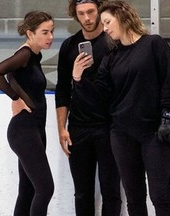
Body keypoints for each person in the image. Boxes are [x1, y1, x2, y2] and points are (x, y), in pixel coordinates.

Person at [73, 1, 170, 216]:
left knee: (160, 195)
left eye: (107, 22)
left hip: (155, 131)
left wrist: (167, 116)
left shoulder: (154, 44)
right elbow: (99, 98)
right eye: (102, 24)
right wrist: (79, 78)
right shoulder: (111, 58)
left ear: (122, 16)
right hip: (122, 134)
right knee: (134, 198)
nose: (104, 28)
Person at [55, 0, 121, 215]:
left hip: (109, 126)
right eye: (81, 13)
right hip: (79, 127)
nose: (87, 18)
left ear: (99, 11)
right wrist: (61, 128)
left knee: (111, 190)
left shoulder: (113, 41)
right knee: (82, 192)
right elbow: (62, 91)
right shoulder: (69, 46)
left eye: (91, 12)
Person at [0, 11, 55, 216]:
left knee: (28, 191)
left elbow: (14, 77)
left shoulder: (35, 55)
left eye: (51, 31)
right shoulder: (24, 54)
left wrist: (17, 92)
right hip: (24, 129)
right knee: (45, 189)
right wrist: (15, 99)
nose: (50, 36)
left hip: (35, 128)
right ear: (30, 33)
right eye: (44, 32)